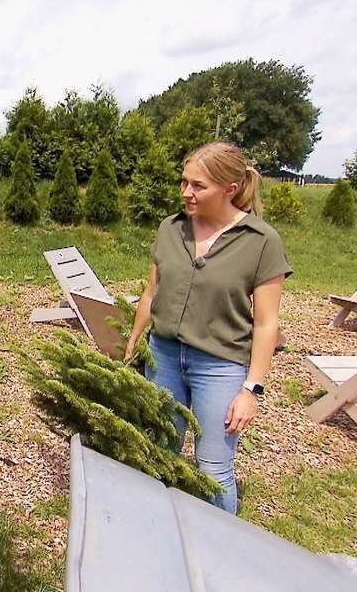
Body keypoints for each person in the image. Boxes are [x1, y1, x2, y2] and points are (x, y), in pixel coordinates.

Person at [123, 142, 291, 514]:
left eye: (198, 186)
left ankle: (218, 551)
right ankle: (157, 528)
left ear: (230, 189)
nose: (186, 192)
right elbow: (152, 291)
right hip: (164, 356)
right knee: (160, 450)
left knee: (213, 465)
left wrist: (251, 390)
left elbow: (266, 324)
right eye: (184, 182)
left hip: (220, 365)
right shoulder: (171, 229)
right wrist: (137, 336)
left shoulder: (261, 242)